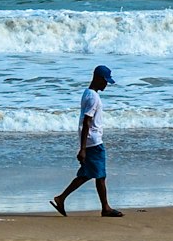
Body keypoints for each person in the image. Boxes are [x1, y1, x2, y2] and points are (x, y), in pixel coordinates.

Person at [50, 64, 123, 217]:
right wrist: (82, 148)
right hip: (94, 142)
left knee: (87, 174)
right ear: (97, 78)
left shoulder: (88, 93)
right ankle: (106, 208)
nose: (106, 84)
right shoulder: (93, 97)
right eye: (105, 81)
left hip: (90, 141)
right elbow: (86, 122)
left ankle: (61, 198)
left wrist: (83, 146)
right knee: (100, 175)